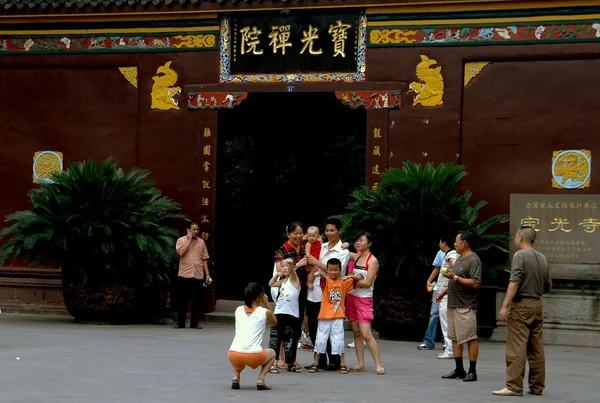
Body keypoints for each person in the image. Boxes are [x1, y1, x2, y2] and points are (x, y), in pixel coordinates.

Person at [493, 226, 552, 397]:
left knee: (516, 346)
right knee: (536, 348)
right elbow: (548, 285)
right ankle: (537, 386)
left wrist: (505, 305)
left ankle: (513, 386)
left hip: (521, 305)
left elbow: (514, 281)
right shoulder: (542, 257)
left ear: (520, 237)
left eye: (515, 236)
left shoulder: (519, 256)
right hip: (537, 304)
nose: (514, 239)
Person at [305, 217, 350, 370]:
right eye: (327, 230)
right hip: (314, 291)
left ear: (339, 231)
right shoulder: (322, 246)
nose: (329, 233)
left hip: (331, 296)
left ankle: (335, 360)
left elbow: (334, 271)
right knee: (312, 326)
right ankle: (320, 359)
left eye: (332, 230)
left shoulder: (343, 251)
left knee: (332, 330)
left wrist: (316, 262)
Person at [438, 231, 481, 382]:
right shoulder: (460, 258)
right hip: (453, 303)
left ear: (465, 243)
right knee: (454, 337)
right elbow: (454, 280)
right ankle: (459, 369)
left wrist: (454, 277)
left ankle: (472, 371)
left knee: (470, 337)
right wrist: (443, 292)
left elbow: (475, 283)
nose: (454, 244)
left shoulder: (473, 259)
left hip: (465, 305)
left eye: (457, 241)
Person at [306, 258, 359, 374]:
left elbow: (359, 279)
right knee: (320, 339)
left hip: (338, 316)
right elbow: (323, 278)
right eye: (330, 270)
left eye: (335, 270)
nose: (333, 272)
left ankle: (342, 363)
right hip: (324, 315)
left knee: (338, 339)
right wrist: (319, 274)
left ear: (340, 270)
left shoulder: (344, 283)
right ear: (327, 270)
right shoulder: (326, 281)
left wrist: (350, 277)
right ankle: (316, 363)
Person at [346, 232, 385, 374]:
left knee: (366, 333)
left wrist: (353, 280)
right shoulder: (356, 257)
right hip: (352, 297)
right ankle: (360, 363)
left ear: (369, 243)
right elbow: (342, 250)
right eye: (356, 241)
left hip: (364, 299)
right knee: (356, 332)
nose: (358, 243)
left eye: (361, 241)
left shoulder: (372, 260)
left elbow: (368, 283)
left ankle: (378, 364)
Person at [271, 222, 308, 370]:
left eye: (300, 233)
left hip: (302, 289)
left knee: (296, 326)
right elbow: (282, 271)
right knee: (282, 325)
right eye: (295, 233)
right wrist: (298, 265)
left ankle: (291, 358)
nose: (298, 236)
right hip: (287, 290)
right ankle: (280, 357)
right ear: (288, 234)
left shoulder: (304, 249)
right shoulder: (282, 250)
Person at [228, 282, 277, 390]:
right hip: (254, 355)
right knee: (273, 353)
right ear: (260, 296)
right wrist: (267, 304)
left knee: (240, 350)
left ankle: (236, 376)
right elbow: (274, 322)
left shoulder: (238, 310)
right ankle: (261, 379)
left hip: (233, 354)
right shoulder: (264, 312)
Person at [174, 221, 212, 329]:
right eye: (194, 229)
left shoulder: (201, 242)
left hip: (197, 274)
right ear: (188, 230)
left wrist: (207, 275)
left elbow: (204, 259)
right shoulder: (181, 240)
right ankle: (180, 323)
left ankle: (194, 323)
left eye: (197, 229)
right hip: (184, 274)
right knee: (182, 301)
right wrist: (189, 240)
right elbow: (180, 253)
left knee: (196, 301)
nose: (196, 231)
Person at [267, 258, 302, 373]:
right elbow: (271, 283)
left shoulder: (294, 279)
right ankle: (271, 362)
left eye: (287, 266)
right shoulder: (283, 281)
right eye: (283, 266)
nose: (285, 268)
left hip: (291, 314)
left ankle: (291, 362)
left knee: (290, 339)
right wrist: (277, 274)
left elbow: (291, 270)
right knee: (275, 338)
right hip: (279, 312)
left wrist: (291, 263)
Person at [436, 234, 460, 359]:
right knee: (447, 323)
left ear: (443, 242)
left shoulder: (451, 255)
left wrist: (453, 274)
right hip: (446, 293)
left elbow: (456, 268)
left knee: (446, 323)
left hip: (446, 295)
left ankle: (450, 349)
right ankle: (450, 348)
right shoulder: (451, 254)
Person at [417, 247, 445, 350]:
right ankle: (428, 341)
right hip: (438, 286)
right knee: (434, 314)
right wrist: (429, 280)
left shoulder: (455, 254)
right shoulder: (441, 252)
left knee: (446, 315)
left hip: (449, 287)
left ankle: (446, 342)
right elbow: (437, 267)